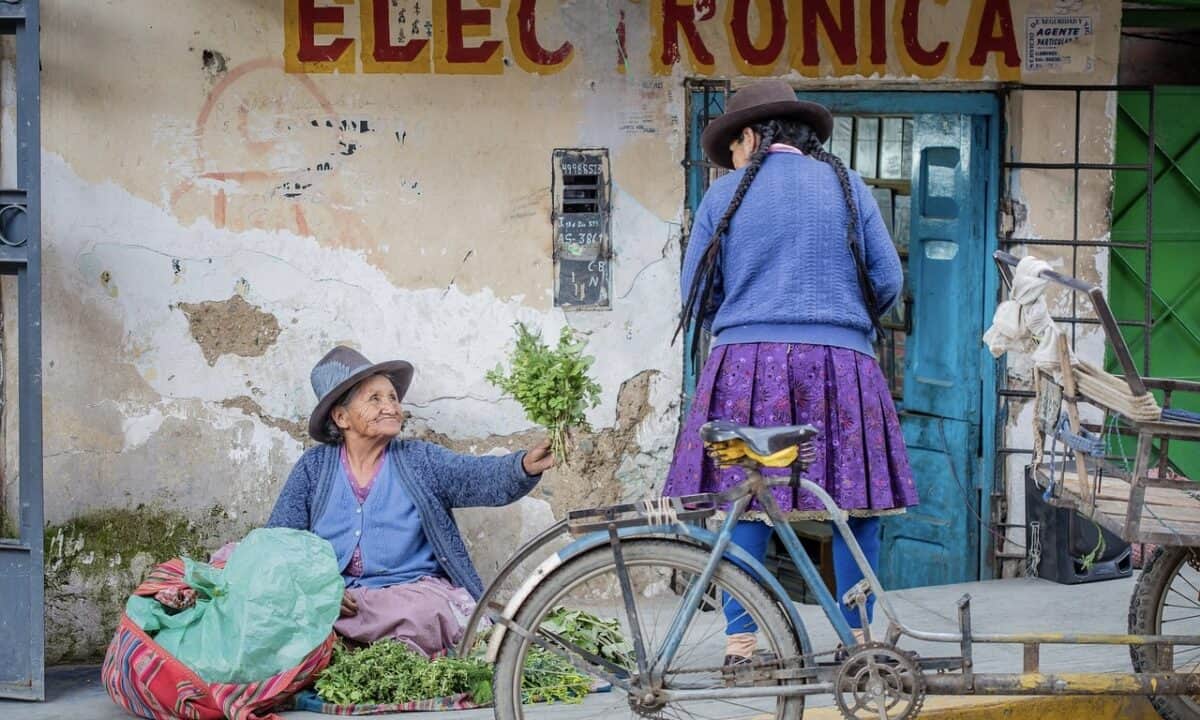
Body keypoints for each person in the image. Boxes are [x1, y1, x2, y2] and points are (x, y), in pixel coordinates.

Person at [662, 80, 919, 665]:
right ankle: (860, 642)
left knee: (743, 501)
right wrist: (838, 319)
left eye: (732, 145)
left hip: (745, 367)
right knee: (857, 504)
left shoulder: (722, 197)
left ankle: (742, 643)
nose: (731, 158)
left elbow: (697, 297)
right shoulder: (850, 187)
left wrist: (750, 316)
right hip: (843, 366)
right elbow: (886, 281)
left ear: (750, 136)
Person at [266, 345, 555, 657]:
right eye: (374, 399)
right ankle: (347, 645)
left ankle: (352, 649)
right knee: (277, 604)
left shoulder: (419, 460)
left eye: (392, 397)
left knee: (424, 614)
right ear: (341, 417)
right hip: (338, 600)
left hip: (409, 595)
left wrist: (522, 466)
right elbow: (280, 541)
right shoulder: (314, 468)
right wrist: (318, 588)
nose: (391, 406)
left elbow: (476, 477)